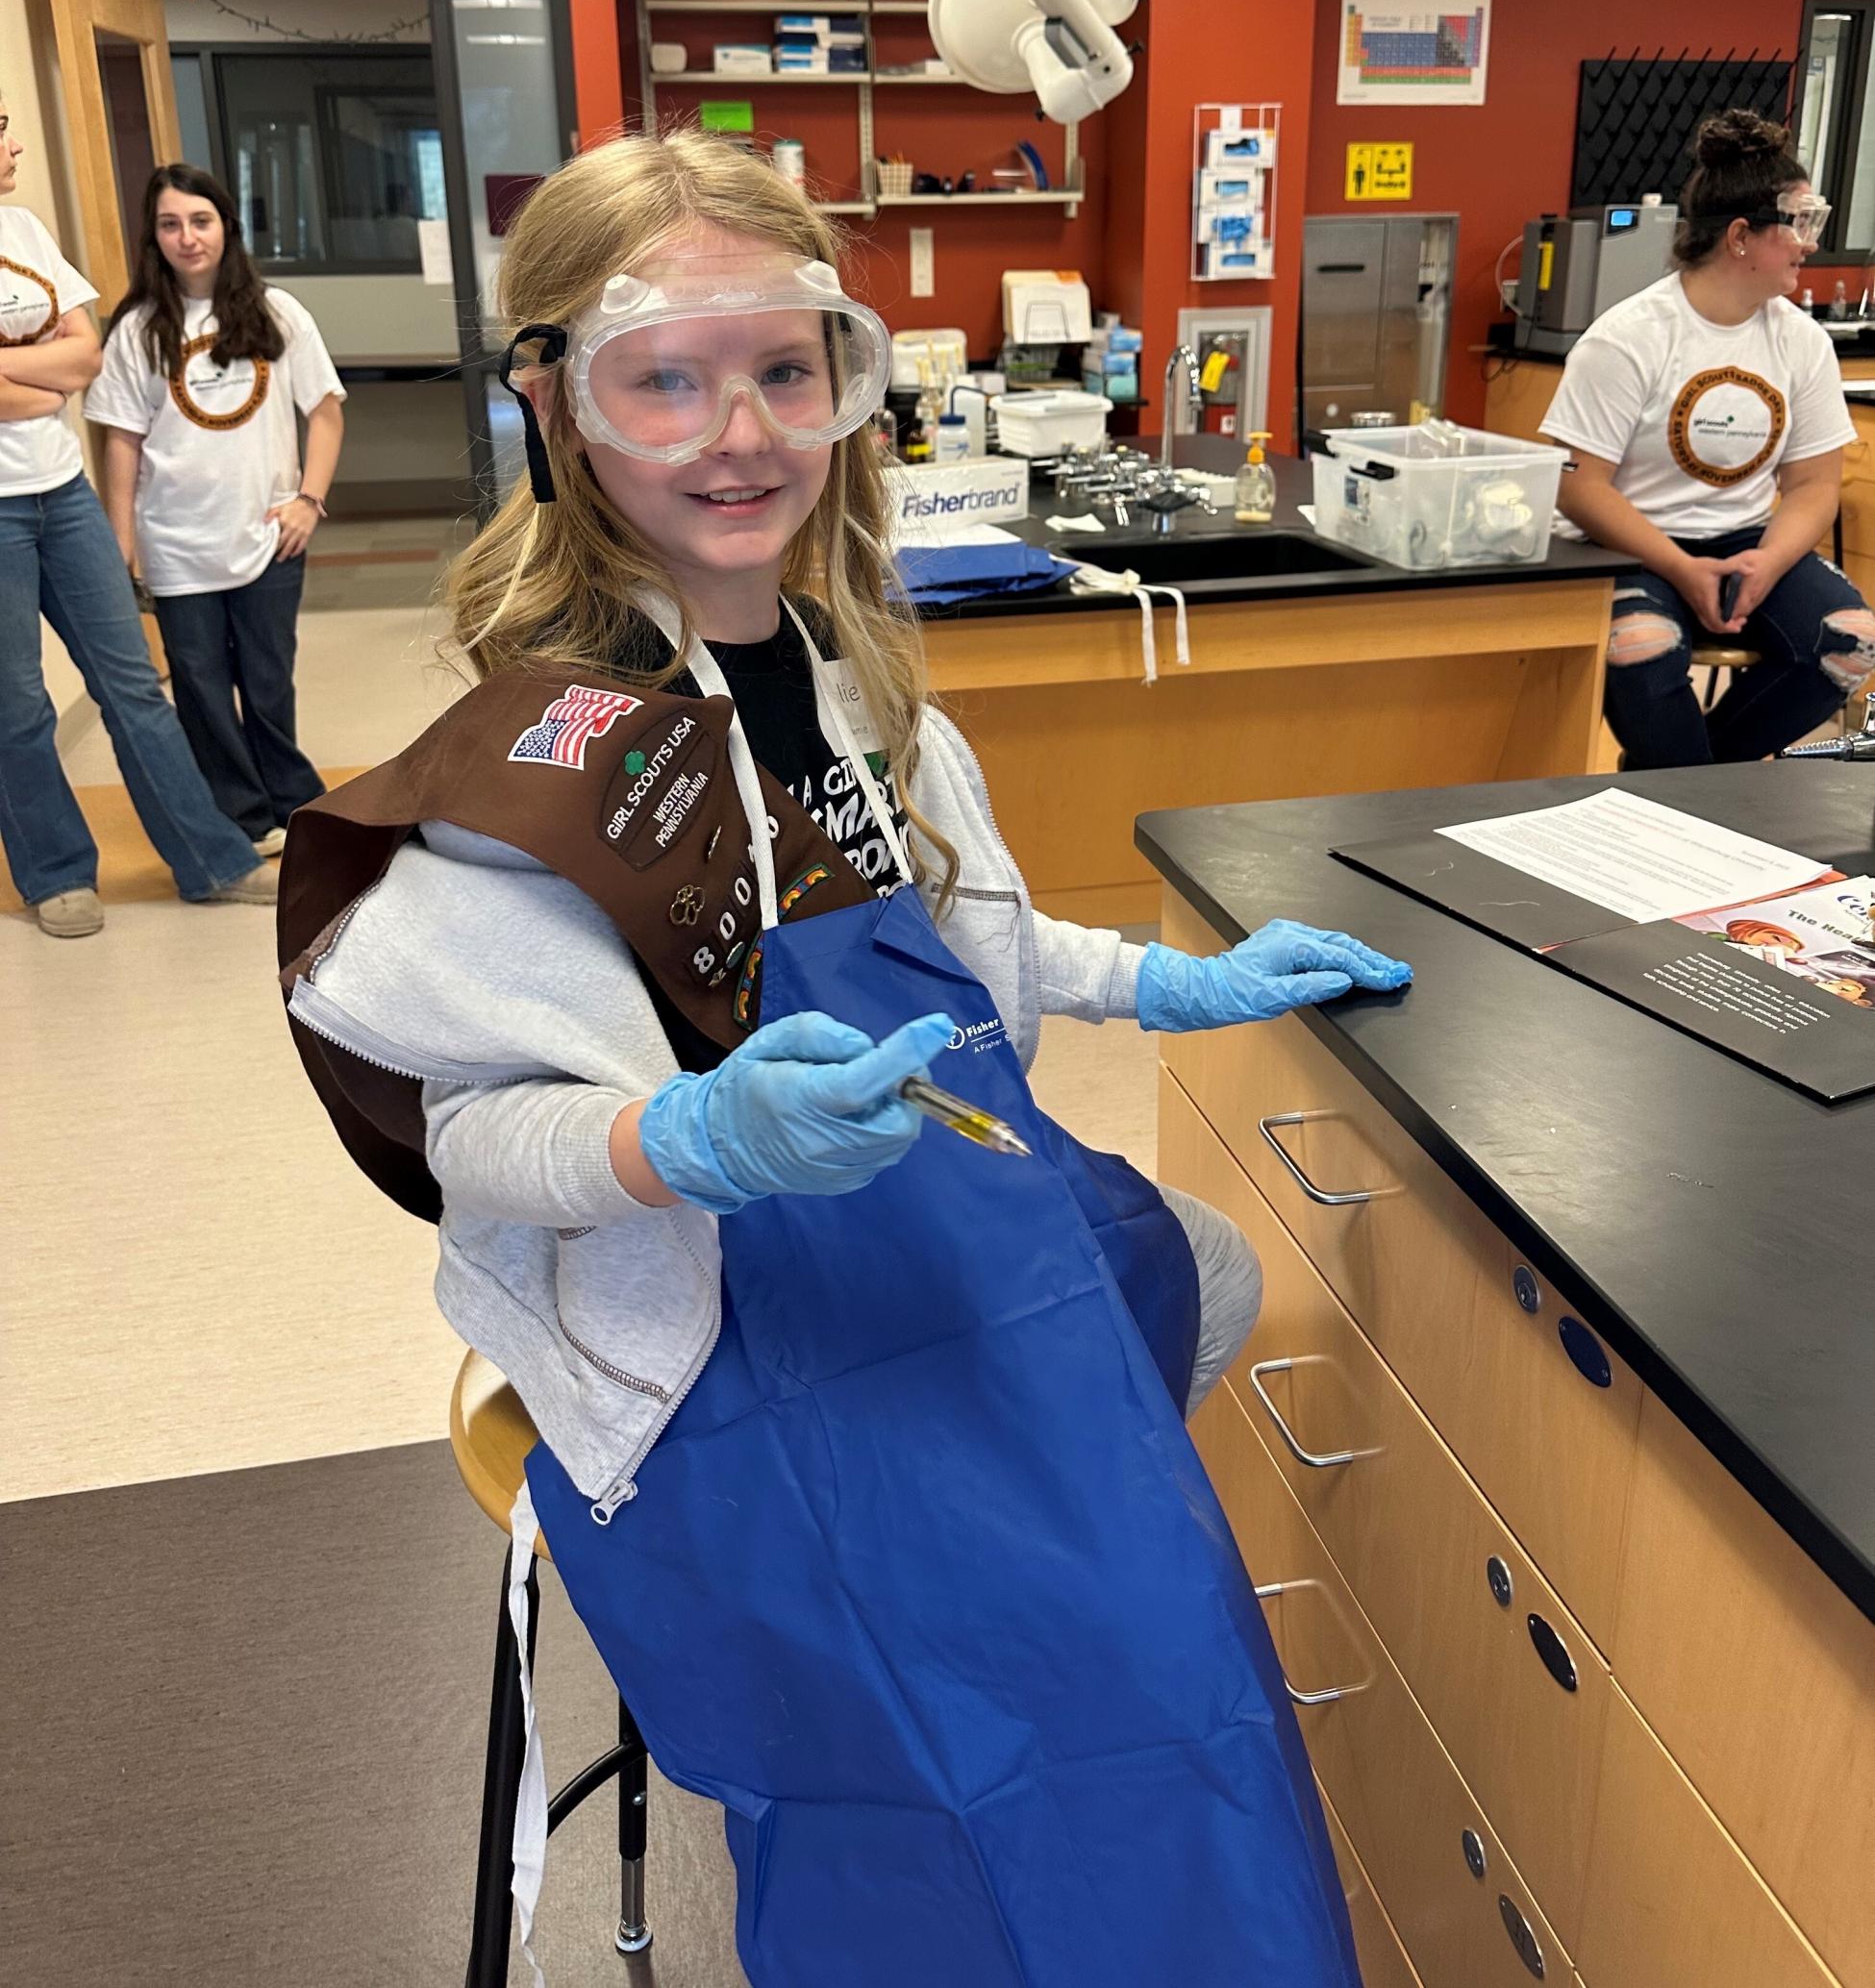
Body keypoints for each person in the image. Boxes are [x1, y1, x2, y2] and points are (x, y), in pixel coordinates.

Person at [280, 133, 1412, 1988]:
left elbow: (967, 951)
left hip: (952, 1258)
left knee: (1169, 1618)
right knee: (1060, 1680)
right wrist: (692, 1140)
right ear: (565, 409)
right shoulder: (548, 758)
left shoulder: (857, 675)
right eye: (668, 377)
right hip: (723, 1344)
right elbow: (477, 1134)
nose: (740, 435)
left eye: (784, 370)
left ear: (844, 384)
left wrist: (1164, 980)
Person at [0, 96, 274, 937]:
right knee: (18, 705)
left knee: (133, 688)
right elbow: (67, 365)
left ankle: (210, 862)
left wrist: (33, 378)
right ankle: (55, 875)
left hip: (61, 488)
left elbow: (87, 353)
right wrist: (44, 376)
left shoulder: (22, 230)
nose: (12, 144)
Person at [1545, 109, 1874, 769]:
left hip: (1745, 542)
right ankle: (1689, 794)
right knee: (1640, 645)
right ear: (1741, 237)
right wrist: (1679, 567)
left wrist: (1769, 561)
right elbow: (1579, 486)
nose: (1810, 244)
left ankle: (1697, 786)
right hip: (1628, 545)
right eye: (1800, 225)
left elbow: (1813, 486)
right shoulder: (1629, 336)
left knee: (1852, 640)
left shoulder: (1801, 342)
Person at [88, 164, 345, 857]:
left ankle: (294, 804)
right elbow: (122, 444)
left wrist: (309, 501)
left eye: (200, 221)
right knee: (201, 691)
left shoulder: (277, 312)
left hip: (269, 536)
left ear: (226, 227)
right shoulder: (137, 329)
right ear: (155, 236)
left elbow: (324, 413)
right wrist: (121, 547)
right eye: (170, 224)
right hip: (175, 544)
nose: (186, 237)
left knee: (267, 682)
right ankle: (241, 817)